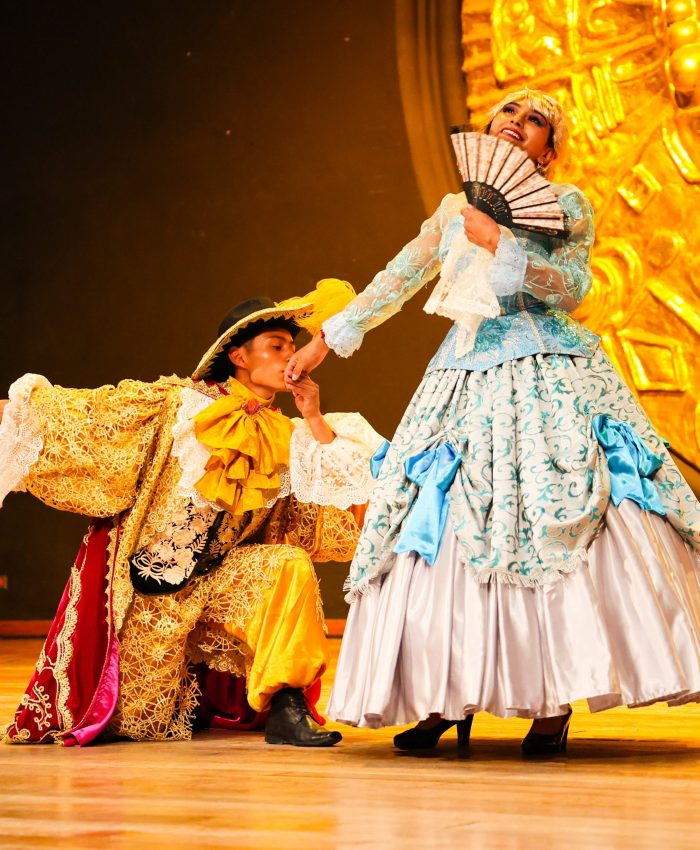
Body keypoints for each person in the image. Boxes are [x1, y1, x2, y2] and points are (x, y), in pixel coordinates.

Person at [286, 90, 700, 755]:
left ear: (550, 148)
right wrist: (321, 343)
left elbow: (572, 288)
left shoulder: (565, 204)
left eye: (535, 120)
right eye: (506, 113)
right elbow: (397, 279)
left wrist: (505, 243)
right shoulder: (455, 210)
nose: (516, 123)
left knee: (547, 514)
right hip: (462, 374)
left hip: (546, 369)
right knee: (441, 525)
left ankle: (552, 700)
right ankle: (445, 694)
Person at [0, 279, 383, 747]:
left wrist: (313, 413)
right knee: (138, 727)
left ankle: (288, 706)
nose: (291, 356)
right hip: (152, 596)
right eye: (277, 345)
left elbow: (336, 490)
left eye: (293, 346)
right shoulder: (177, 406)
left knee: (288, 564)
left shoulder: (288, 435)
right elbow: (78, 419)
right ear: (239, 357)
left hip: (224, 583)